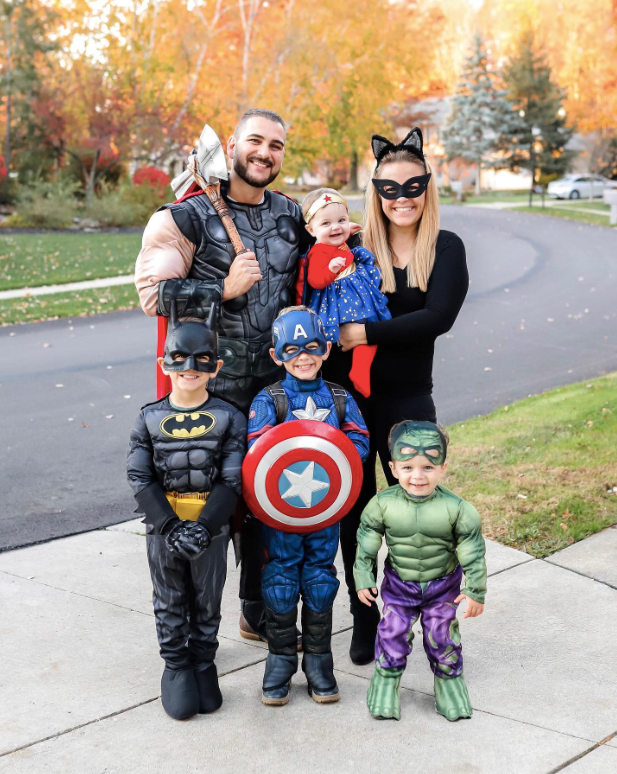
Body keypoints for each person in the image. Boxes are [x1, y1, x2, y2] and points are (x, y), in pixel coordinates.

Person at [134, 108, 312, 644]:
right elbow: (150, 296)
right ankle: (189, 631)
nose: (265, 153)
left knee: (269, 504)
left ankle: (258, 609)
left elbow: (317, 272)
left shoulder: (291, 215)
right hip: (209, 389)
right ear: (232, 144)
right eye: (255, 141)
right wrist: (223, 289)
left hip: (276, 387)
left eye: (276, 145)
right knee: (204, 507)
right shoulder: (183, 218)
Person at [322, 127, 470, 666]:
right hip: (352, 401)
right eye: (390, 188)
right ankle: (367, 619)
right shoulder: (355, 249)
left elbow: (438, 318)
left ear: (428, 188)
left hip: (408, 401)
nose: (402, 198)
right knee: (356, 516)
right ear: (375, 191)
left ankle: (433, 620)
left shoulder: (445, 247)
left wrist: (366, 332)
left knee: (420, 513)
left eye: (413, 187)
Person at [127, 304, 246, 720]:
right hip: (164, 528)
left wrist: (205, 526)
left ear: (215, 366)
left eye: (201, 359)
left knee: (208, 601)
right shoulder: (148, 417)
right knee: (170, 598)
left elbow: (231, 479)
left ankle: (202, 662)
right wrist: (170, 525)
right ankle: (176, 664)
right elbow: (140, 478)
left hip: (209, 528)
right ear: (165, 363)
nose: (189, 368)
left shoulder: (230, 417)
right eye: (179, 359)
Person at [247, 307, 369, 705]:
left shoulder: (339, 397)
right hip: (280, 513)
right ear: (276, 355)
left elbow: (359, 445)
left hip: (324, 511)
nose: (304, 356)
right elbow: (257, 456)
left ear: (327, 348)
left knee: (319, 582)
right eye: (292, 348)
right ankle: (280, 659)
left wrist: (335, 453)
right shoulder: (269, 400)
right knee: (280, 581)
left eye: (313, 347)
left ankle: (319, 660)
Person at [354, 420, 486, 722]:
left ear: (443, 468)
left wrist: (475, 590)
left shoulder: (458, 509)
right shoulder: (381, 505)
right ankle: (386, 682)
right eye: (408, 467)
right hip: (400, 586)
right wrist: (363, 578)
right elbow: (366, 546)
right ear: (393, 467)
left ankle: (449, 683)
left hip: (443, 588)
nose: (417, 476)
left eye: (428, 467)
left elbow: (473, 554)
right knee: (392, 632)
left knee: (442, 635)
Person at [297, 188, 391, 399]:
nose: (335, 227)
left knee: (369, 332)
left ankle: (360, 369)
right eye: (326, 224)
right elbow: (314, 281)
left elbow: (342, 240)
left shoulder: (338, 241)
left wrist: (347, 231)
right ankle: (358, 371)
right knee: (366, 327)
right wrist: (329, 270)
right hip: (338, 301)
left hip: (353, 295)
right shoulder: (318, 252)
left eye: (341, 220)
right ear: (311, 230)